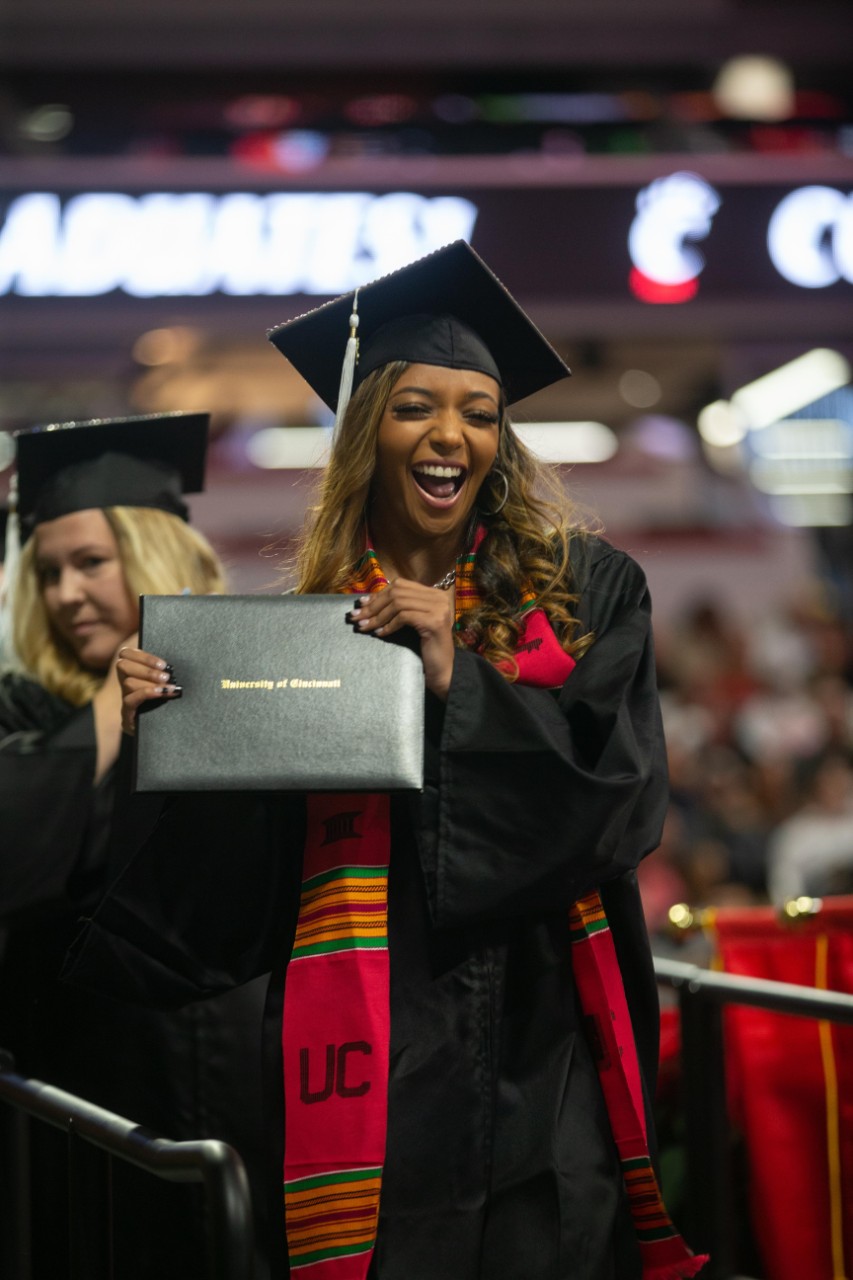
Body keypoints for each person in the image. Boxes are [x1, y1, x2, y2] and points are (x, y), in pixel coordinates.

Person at [67, 243, 706, 1279]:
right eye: (414, 405)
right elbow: (233, 899)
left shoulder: (587, 594)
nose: (449, 434)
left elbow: (620, 803)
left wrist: (461, 679)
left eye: (479, 410)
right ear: (368, 429)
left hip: (549, 1053)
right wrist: (176, 743)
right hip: (375, 1058)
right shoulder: (306, 635)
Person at [0, 413, 270, 1280]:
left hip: (244, 1081)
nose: (66, 593)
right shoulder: (27, 713)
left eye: (90, 562)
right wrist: (111, 714)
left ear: (154, 553)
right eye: (47, 573)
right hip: (88, 1091)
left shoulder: (247, 693)